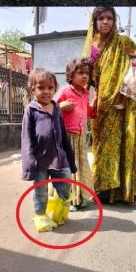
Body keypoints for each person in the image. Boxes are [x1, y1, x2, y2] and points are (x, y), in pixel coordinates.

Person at [83, 6, 136, 204]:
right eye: (101, 18)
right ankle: (104, 190)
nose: (105, 22)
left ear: (114, 21)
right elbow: (90, 78)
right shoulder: (93, 48)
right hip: (103, 105)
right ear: (94, 23)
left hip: (125, 104)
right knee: (103, 147)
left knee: (126, 142)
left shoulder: (124, 42)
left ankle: (124, 190)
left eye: (109, 18)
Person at [21, 68, 77, 232]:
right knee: (40, 192)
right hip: (40, 161)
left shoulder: (57, 109)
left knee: (66, 183)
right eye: (41, 88)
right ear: (33, 89)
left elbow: (64, 136)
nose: (46, 91)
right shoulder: (30, 110)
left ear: (54, 89)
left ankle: (61, 209)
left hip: (60, 158)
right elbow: (26, 139)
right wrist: (29, 164)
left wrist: (71, 161)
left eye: (50, 88)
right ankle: (40, 216)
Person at [55, 58, 97, 212]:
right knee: (70, 169)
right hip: (67, 137)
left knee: (81, 167)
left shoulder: (86, 94)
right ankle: (71, 199)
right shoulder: (65, 91)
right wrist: (61, 106)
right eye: (80, 73)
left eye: (87, 73)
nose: (85, 76)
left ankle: (82, 197)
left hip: (80, 137)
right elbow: (51, 109)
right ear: (71, 75)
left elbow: (91, 113)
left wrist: (96, 102)